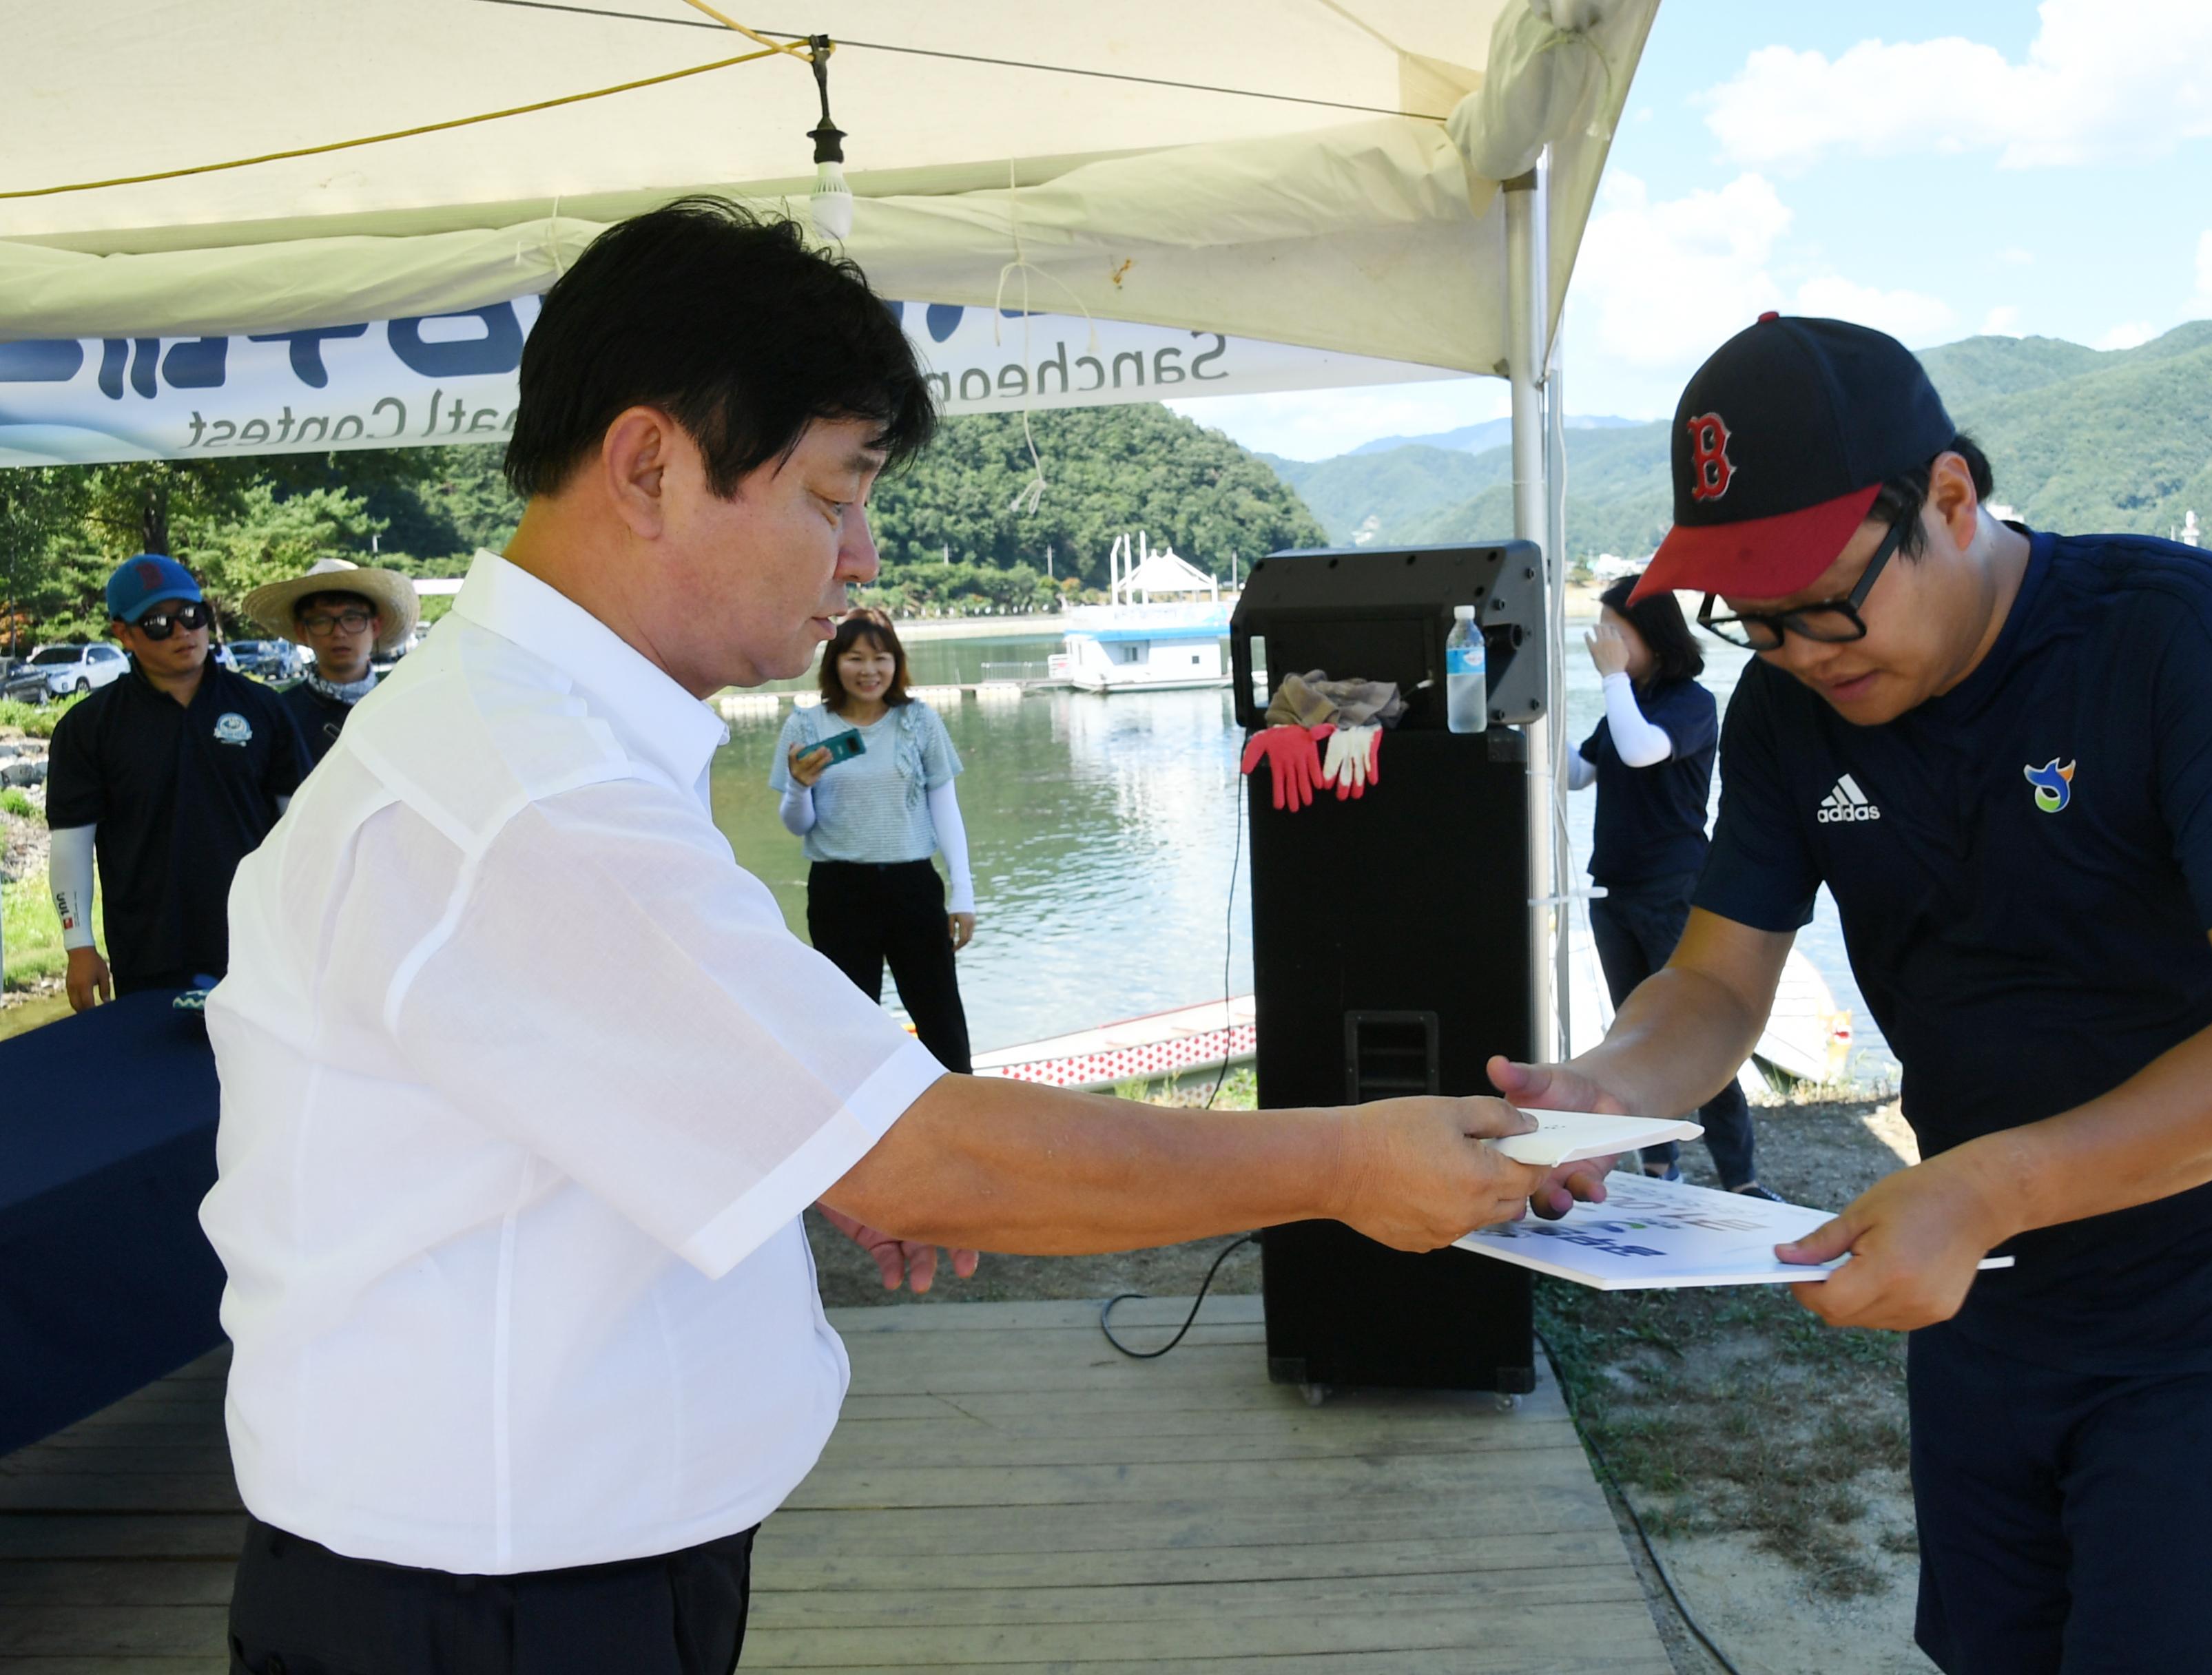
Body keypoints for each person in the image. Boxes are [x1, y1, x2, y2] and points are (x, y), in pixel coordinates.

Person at [200, 198, 1547, 1675]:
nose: (864, 553)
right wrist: (1348, 1165)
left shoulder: (523, 744)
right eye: (835, 495)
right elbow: (929, 1158)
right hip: (493, 1612)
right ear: (650, 465)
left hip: (533, 1577)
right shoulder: (531, 796)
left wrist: (793, 1144)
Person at [1500, 314, 2212, 1675]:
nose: (1798, 649)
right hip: (1987, 1298)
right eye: (1755, 619)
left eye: (1822, 601)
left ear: (1952, 499)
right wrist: (1606, 1089)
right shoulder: (1792, 714)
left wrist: (1989, 1187)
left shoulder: (2185, 638)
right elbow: (1717, 980)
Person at [1572, 574, 1768, 1199]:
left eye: (1615, 628)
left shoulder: (1689, 701)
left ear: (1651, 634)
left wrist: (1609, 680)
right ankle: (1658, 1168)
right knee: (1635, 1042)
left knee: (1697, 1039)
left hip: (1672, 890)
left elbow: (1639, 752)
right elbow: (1579, 772)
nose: (1603, 641)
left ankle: (1740, 1177)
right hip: (1615, 891)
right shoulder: (1625, 698)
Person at [45, 555, 309, 1007]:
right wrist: (79, 945)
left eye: (192, 615)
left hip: (261, 945)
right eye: (157, 623)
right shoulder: (88, 727)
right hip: (147, 953)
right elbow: (71, 843)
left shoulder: (263, 708)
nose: (183, 632)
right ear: (123, 634)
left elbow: (304, 828)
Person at [772, 609, 976, 1073]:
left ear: (896, 663)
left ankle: (960, 1122)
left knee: (940, 1018)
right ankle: (858, 1126)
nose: (869, 671)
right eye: (855, 658)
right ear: (834, 662)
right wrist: (799, 785)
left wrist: (964, 893)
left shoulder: (918, 722)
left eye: (881, 658)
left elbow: (945, 808)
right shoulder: (805, 727)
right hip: (838, 890)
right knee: (848, 1022)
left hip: (913, 886)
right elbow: (797, 824)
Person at [242, 556, 422, 765]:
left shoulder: (403, 706)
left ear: (375, 626)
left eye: (352, 618)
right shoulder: (281, 716)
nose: (339, 633)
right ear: (302, 631)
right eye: (322, 621)